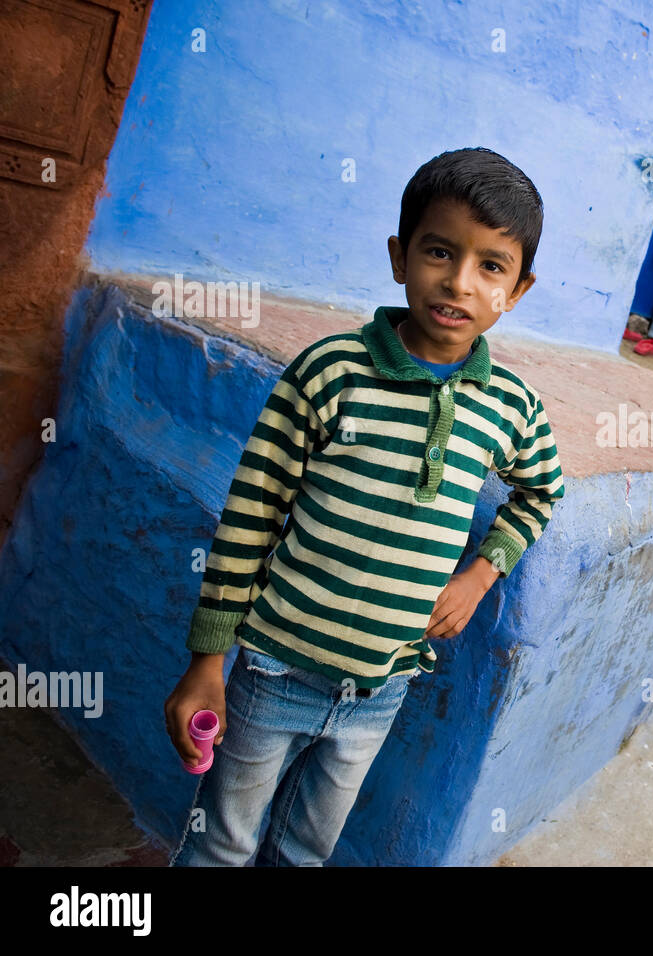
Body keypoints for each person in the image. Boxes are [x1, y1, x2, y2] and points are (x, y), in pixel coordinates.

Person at [164, 148, 565, 865]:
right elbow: (251, 513)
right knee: (219, 847)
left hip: (381, 687)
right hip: (274, 669)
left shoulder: (511, 408)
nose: (459, 282)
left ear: (518, 289)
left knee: (304, 853)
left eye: (491, 267)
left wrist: (480, 576)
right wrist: (207, 660)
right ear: (399, 257)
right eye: (439, 252)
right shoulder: (332, 371)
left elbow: (541, 491)